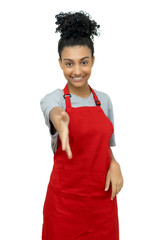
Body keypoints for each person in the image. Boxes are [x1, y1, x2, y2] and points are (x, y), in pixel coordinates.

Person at [40, 10, 124, 240]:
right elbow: (53, 111)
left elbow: (105, 147)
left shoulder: (104, 100)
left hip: (102, 203)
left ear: (93, 61)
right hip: (64, 205)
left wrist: (115, 165)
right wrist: (61, 121)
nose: (77, 71)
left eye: (84, 62)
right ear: (60, 63)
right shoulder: (54, 99)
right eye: (69, 64)